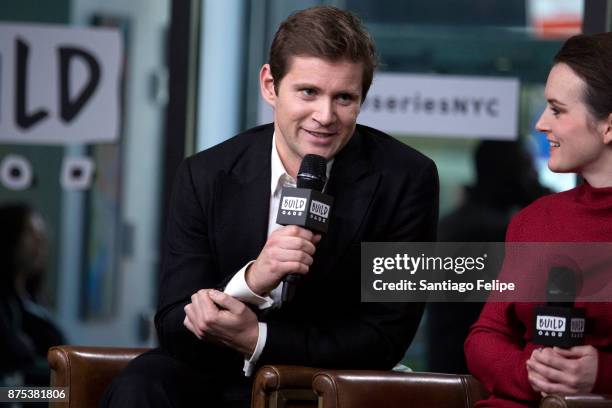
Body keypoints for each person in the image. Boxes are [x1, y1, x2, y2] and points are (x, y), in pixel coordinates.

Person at [101, 6, 438, 407]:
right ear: (270, 85)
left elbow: (388, 336)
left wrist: (259, 339)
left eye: (344, 97)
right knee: (142, 383)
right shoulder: (205, 173)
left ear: (362, 98)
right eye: (308, 92)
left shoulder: (408, 178)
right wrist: (252, 281)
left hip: (329, 384)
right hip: (214, 370)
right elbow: (174, 324)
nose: (325, 116)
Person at [465, 32, 612, 407]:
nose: (541, 124)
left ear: (608, 126)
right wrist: (530, 373)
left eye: (557, 110)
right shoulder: (535, 221)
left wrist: (602, 375)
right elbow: (486, 336)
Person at [427, 140, 550, 374]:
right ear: (507, 173)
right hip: (469, 369)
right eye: (526, 168)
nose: (534, 176)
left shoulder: (460, 221)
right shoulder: (490, 230)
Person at [0, 203, 66, 387]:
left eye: (41, 234)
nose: (40, 241)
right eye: (30, 232)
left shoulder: (33, 300)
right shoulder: (6, 306)